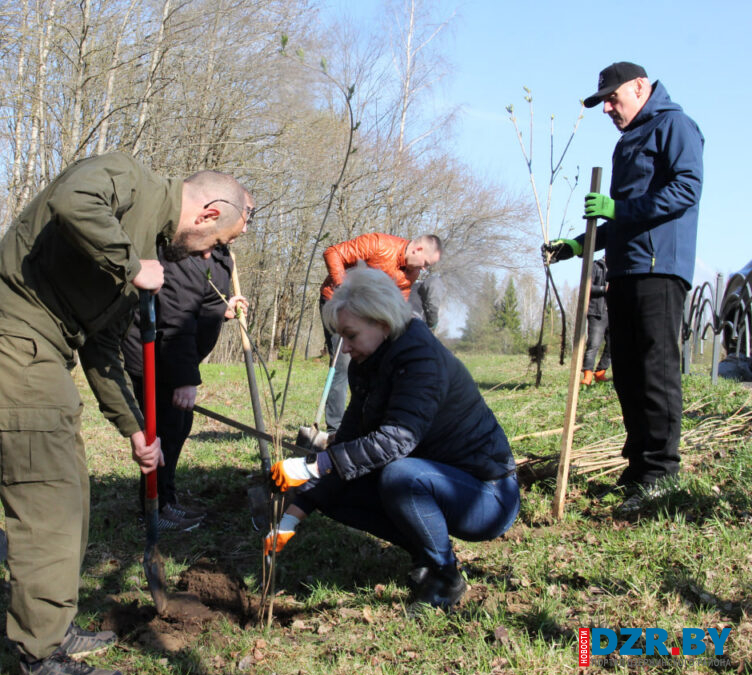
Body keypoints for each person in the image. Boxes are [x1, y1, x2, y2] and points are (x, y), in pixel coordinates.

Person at [0, 152, 253, 675]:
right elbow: (71, 200)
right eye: (217, 242)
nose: (211, 253)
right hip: (13, 336)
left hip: (51, 350)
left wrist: (135, 428)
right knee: (47, 497)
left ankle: (54, 626)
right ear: (207, 213)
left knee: (72, 493)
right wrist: (132, 266)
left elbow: (103, 348)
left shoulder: (151, 248)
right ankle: (39, 658)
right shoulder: (130, 180)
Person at [268, 266, 518, 610]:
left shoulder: (421, 359)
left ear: (382, 323)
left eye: (350, 335)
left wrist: (311, 466)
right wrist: (290, 519)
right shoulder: (369, 363)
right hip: (433, 480)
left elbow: (397, 440)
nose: (344, 348)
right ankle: (426, 553)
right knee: (341, 485)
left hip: (486, 495)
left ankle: (446, 577)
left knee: (399, 476)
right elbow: (347, 444)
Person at [545, 62, 703, 512]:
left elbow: (686, 189)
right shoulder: (628, 141)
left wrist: (615, 208)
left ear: (640, 87)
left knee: (655, 371)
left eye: (612, 98)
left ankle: (661, 477)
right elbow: (623, 217)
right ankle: (638, 471)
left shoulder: (674, 125)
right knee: (628, 373)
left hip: (659, 267)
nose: (607, 109)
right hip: (625, 269)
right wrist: (579, 245)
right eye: (603, 102)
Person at [121, 244, 247, 531]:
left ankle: (167, 500)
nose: (244, 230)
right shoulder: (181, 252)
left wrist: (221, 309)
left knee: (177, 426)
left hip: (174, 355)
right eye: (244, 221)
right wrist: (183, 380)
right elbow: (176, 318)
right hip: (155, 354)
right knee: (163, 431)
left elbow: (198, 302)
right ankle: (153, 509)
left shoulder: (220, 254)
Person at [318, 233, 442, 433]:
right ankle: (335, 428)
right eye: (425, 263)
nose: (424, 269)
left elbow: (399, 301)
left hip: (367, 315)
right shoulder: (378, 244)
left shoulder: (411, 273)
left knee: (375, 363)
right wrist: (344, 287)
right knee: (343, 363)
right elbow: (333, 253)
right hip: (338, 303)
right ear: (418, 249)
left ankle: (366, 424)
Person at [581, 257, 611, 386]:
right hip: (597, 311)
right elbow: (586, 287)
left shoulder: (618, 267)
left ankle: (600, 373)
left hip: (613, 312)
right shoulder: (595, 266)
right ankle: (587, 376)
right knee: (594, 344)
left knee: (612, 345)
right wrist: (604, 289)